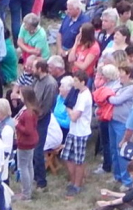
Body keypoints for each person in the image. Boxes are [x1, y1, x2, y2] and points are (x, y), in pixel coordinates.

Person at [56, 69, 91, 198]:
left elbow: (74, 117)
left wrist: (69, 110)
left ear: (83, 82)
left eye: (76, 81)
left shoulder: (85, 96)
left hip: (80, 132)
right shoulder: (77, 92)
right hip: (73, 131)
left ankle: (77, 185)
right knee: (66, 157)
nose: (74, 83)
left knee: (78, 161)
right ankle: (73, 180)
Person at [108, 64, 133, 188]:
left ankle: (127, 180)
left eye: (122, 73)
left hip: (123, 123)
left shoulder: (132, 88)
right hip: (113, 120)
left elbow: (116, 100)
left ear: (129, 75)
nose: (119, 75)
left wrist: (108, 96)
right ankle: (117, 175)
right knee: (113, 149)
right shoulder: (119, 86)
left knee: (122, 151)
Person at [32, 58, 58, 190]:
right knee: (32, 149)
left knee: (38, 150)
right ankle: (35, 176)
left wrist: (35, 116)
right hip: (33, 117)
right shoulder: (36, 79)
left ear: (40, 69)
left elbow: (46, 106)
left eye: (33, 67)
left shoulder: (50, 84)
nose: (31, 70)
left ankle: (41, 182)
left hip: (41, 119)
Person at [15, 86, 40, 201]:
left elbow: (28, 131)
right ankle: (29, 189)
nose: (19, 96)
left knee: (23, 167)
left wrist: (17, 124)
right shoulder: (30, 110)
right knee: (29, 165)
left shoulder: (27, 113)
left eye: (20, 94)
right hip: (31, 142)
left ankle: (26, 194)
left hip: (25, 142)